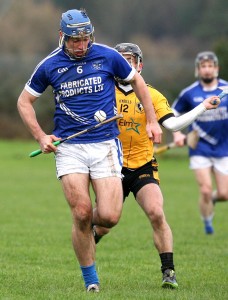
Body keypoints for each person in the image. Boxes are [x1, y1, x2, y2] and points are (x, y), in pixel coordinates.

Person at [17, 9, 163, 293]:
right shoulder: (49, 65)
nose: (82, 46)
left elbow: (138, 81)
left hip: (105, 144)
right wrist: (40, 136)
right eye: (75, 40)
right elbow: (24, 102)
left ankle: (82, 228)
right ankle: (90, 281)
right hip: (69, 147)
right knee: (82, 211)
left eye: (86, 39)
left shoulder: (108, 56)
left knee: (109, 216)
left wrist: (152, 121)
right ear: (62, 37)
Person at [92, 43, 221, 289]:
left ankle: (168, 271)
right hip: (111, 166)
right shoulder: (103, 92)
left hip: (143, 165)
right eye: (121, 59)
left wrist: (203, 107)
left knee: (156, 212)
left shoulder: (152, 95)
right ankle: (91, 231)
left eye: (130, 59)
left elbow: (172, 125)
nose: (126, 64)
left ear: (139, 64)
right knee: (107, 222)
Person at [172, 51, 228, 235]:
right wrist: (178, 134)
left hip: (223, 147)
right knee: (205, 189)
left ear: (216, 69)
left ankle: (211, 200)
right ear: (198, 70)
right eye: (203, 66)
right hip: (200, 147)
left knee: (224, 194)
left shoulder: (226, 90)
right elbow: (173, 114)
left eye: (210, 66)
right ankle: (207, 221)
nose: (207, 70)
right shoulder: (189, 93)